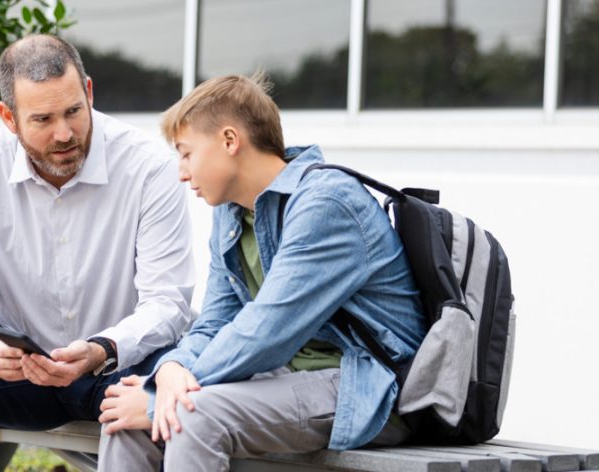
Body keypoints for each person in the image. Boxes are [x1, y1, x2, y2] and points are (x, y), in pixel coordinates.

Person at [0, 35, 196, 472]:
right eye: (43, 119)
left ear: (89, 92)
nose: (64, 133)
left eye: (73, 111)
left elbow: (167, 302)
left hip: (121, 366)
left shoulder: (149, 166)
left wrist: (102, 349)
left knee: (165, 382)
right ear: (9, 118)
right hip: (22, 377)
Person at [96, 74, 428, 471]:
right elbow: (214, 322)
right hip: (286, 378)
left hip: (369, 388)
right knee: (123, 421)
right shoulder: (232, 213)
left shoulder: (327, 203)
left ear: (229, 141)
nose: (181, 173)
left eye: (186, 154)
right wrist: (171, 369)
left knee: (186, 414)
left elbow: (267, 331)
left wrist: (157, 396)